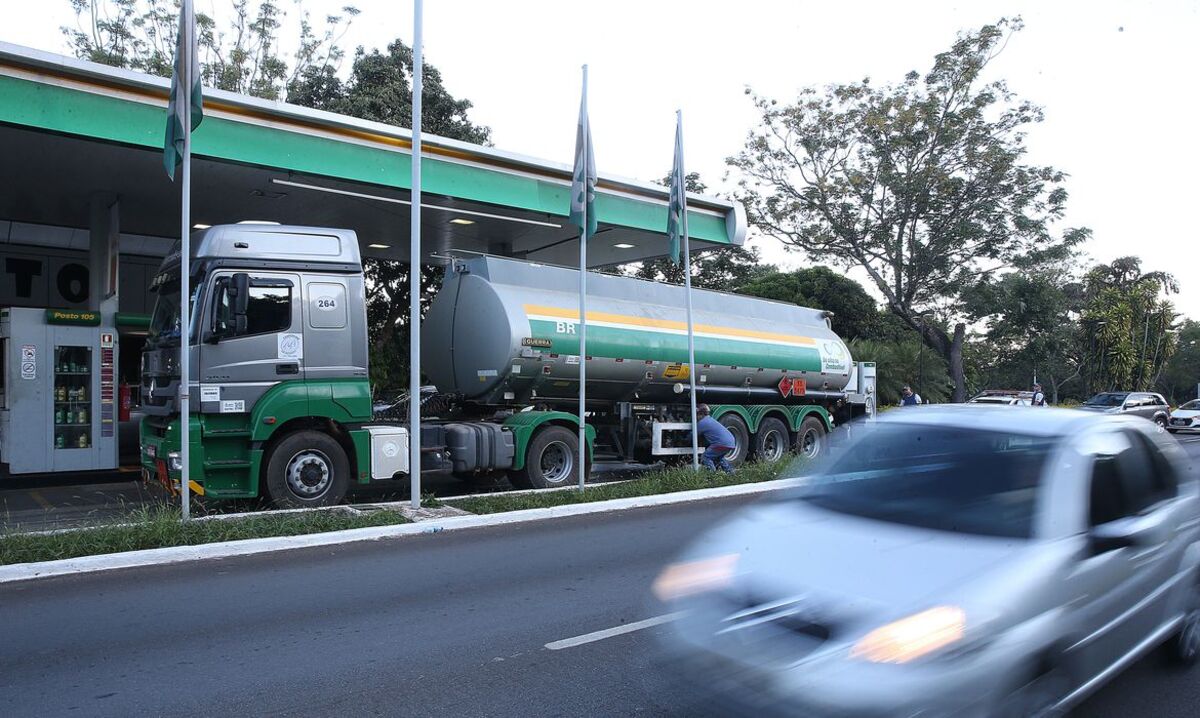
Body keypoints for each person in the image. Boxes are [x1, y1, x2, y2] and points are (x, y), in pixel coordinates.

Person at [694, 404, 736, 473]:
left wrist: (683, 439)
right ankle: (731, 473)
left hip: (721, 444)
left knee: (706, 457)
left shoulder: (702, 423)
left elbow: (693, 435)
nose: (696, 417)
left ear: (700, 414)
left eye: (696, 415)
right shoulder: (710, 419)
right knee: (719, 457)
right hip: (731, 442)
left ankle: (712, 474)